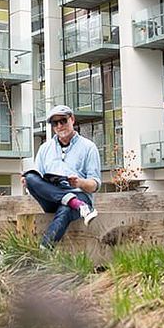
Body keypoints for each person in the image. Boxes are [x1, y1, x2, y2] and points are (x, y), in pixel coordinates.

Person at [22, 105, 101, 248]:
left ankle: (44, 250)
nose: (59, 126)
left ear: (72, 119)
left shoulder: (88, 147)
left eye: (63, 121)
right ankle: (74, 203)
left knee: (65, 209)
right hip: (52, 197)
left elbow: (95, 185)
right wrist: (27, 183)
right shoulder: (45, 148)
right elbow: (37, 179)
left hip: (79, 194)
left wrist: (79, 183)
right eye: (55, 123)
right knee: (30, 177)